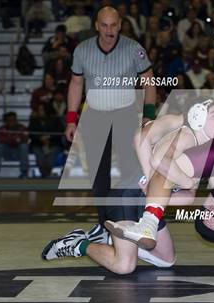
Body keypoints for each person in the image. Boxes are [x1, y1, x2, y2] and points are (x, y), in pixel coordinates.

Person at [42, 100, 214, 277]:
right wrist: (172, 182)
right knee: (124, 266)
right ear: (198, 118)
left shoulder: (202, 145)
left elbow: (185, 196)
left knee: (189, 240)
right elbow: (146, 144)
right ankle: (78, 244)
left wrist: (204, 196)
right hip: (125, 198)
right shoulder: (184, 131)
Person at [64, 5, 156, 230]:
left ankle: (135, 221)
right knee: (98, 176)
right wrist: (70, 119)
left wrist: (149, 117)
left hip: (125, 116)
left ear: (120, 25)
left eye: (113, 25)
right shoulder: (82, 50)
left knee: (132, 172)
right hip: (94, 117)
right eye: (104, 25)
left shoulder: (134, 49)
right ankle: (103, 224)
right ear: (96, 26)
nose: (109, 30)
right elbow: (76, 83)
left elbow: (149, 81)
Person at [0, 112, 29, 178]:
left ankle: (24, 172)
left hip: (18, 153)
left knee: (24, 146)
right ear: (6, 121)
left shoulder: (22, 127)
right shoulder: (2, 128)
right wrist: (13, 139)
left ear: (16, 120)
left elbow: (26, 139)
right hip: (7, 152)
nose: (12, 122)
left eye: (14, 120)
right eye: (9, 120)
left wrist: (13, 140)